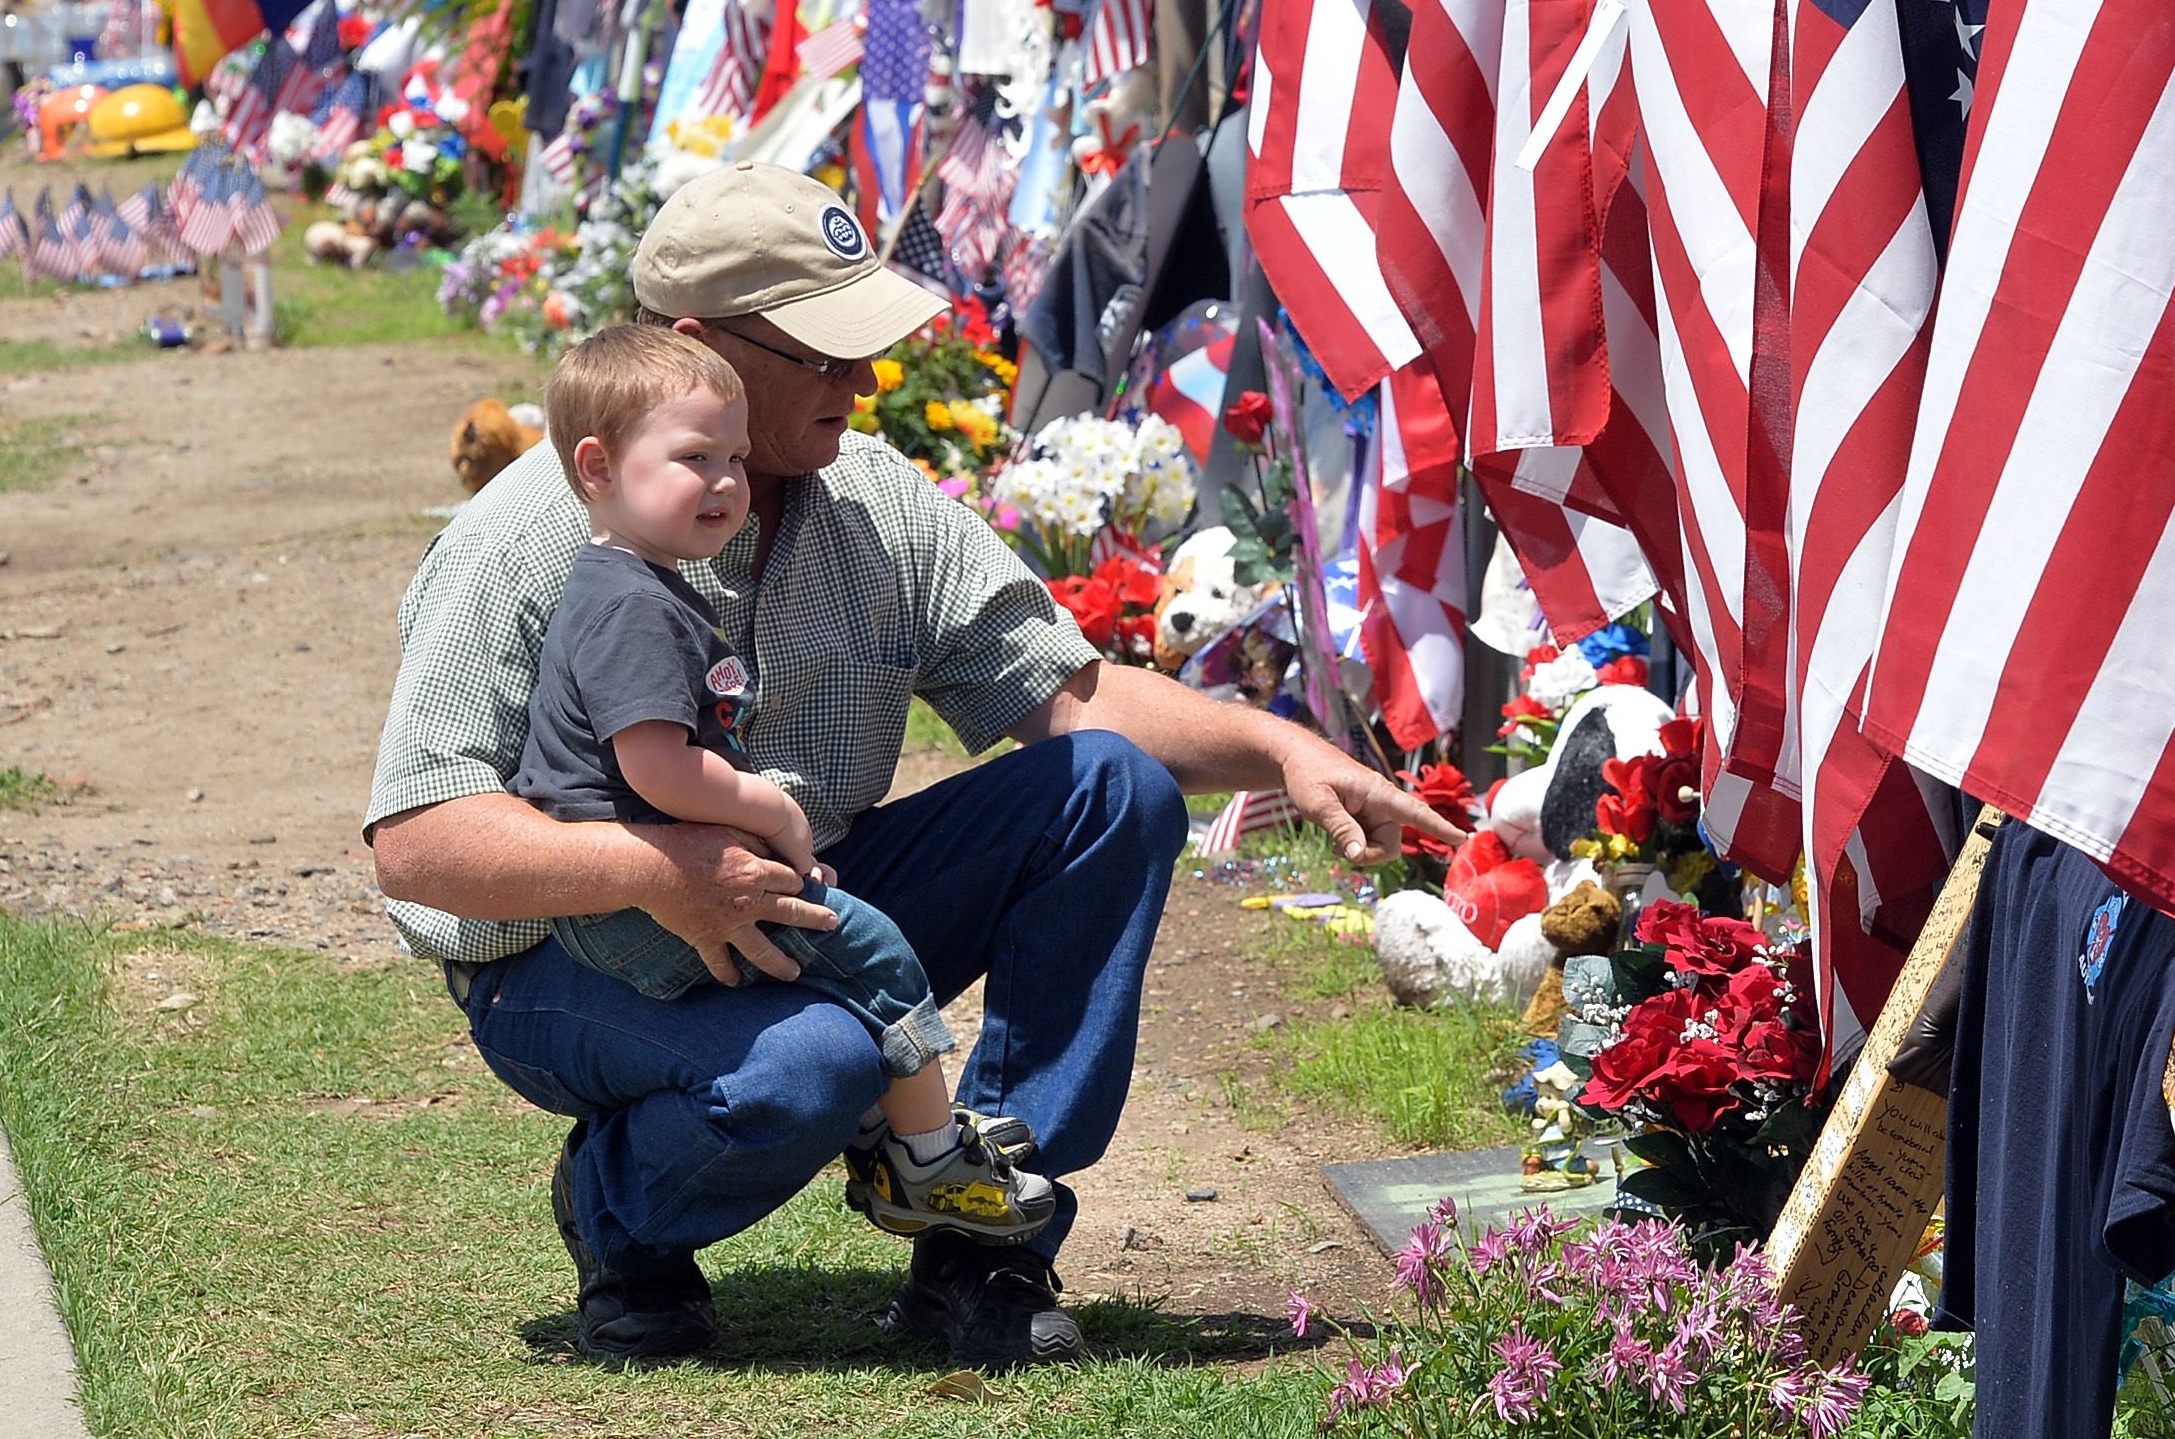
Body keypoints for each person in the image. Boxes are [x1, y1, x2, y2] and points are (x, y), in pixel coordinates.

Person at [365, 162, 1463, 1371]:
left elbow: (1076, 698)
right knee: (818, 1068)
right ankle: (621, 1215)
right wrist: (657, 868)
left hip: (801, 897)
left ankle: (984, 1243)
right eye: (823, 353)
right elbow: (419, 848)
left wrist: (1283, 747)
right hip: (569, 957)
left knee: (1110, 790)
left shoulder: (874, 500)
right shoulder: (522, 538)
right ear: (696, 347)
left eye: (865, 346)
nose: (864, 379)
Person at [513, 324, 1056, 1243]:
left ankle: (898, 1122)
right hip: (632, 912)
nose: (726, 481)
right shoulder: (632, 605)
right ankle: (923, 1160)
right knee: (873, 951)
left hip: (637, 905)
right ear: (598, 467)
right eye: (694, 458)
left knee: (841, 975)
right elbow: (653, 769)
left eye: (732, 456)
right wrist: (766, 805)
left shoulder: (638, 584)